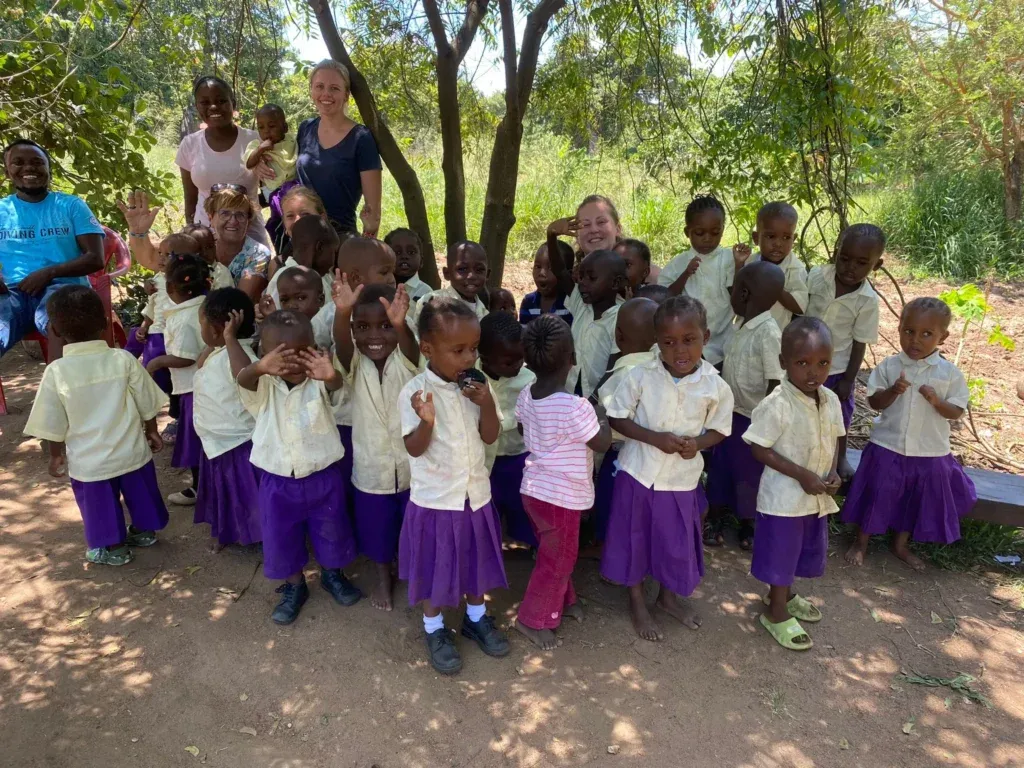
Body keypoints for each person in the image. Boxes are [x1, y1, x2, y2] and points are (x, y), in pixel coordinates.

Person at [601, 295, 733, 642]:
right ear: (656, 342)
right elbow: (617, 417)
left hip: (680, 482)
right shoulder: (641, 375)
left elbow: (720, 429)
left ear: (706, 337)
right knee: (635, 539)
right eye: (669, 342)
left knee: (674, 543)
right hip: (638, 474)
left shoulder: (716, 387)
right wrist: (653, 438)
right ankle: (636, 601)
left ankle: (667, 598)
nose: (679, 351)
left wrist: (698, 444)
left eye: (689, 340)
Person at [398, 297, 510, 675]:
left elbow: (490, 436)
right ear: (427, 349)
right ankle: (434, 627)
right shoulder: (415, 393)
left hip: (474, 496)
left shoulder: (478, 386)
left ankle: (476, 618)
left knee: (475, 563)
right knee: (434, 567)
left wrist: (487, 403)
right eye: (458, 350)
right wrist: (427, 421)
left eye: (473, 348)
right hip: (436, 501)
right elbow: (414, 448)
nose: (469, 358)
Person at [231, 310, 361, 624]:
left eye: (302, 353)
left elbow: (338, 388)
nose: (292, 364)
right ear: (265, 356)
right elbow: (242, 379)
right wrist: (259, 368)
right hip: (278, 481)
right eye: (282, 357)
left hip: (323, 476)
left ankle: (333, 575)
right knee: (281, 536)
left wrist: (330, 375)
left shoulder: (320, 381)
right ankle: (294, 585)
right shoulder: (264, 386)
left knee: (332, 529)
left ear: (314, 350)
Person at [24, 286, 168, 566]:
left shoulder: (56, 372)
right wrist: (151, 430)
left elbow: (53, 420)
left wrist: (55, 454)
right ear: (105, 323)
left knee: (99, 506)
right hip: (131, 452)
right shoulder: (123, 359)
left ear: (54, 330)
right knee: (142, 493)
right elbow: (146, 401)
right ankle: (144, 532)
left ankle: (114, 548)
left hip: (90, 463)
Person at [842, 297, 977, 570]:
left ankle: (900, 545)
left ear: (942, 337)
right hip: (888, 446)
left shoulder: (950, 374)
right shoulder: (890, 366)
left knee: (911, 501)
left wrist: (937, 401)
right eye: (909, 331)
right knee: (876, 494)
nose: (915, 340)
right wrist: (893, 391)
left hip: (929, 451)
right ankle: (861, 542)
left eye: (927, 334)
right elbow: (874, 402)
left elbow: (956, 411)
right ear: (899, 329)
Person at [743, 317, 844, 652]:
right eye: (802, 363)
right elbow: (759, 449)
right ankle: (775, 613)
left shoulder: (830, 399)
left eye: (823, 363)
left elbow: (835, 437)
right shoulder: (777, 404)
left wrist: (833, 470)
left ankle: (783, 595)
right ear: (783, 362)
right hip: (783, 500)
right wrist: (801, 474)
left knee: (798, 552)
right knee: (781, 555)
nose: (813, 372)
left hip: (813, 499)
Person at [514, 315, 612, 650]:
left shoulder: (527, 395)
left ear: (528, 362)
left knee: (556, 553)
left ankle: (563, 600)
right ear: (573, 359)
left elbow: (522, 428)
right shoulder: (577, 407)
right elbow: (601, 443)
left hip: (534, 492)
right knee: (558, 559)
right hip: (561, 499)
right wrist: (602, 417)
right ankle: (532, 619)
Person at [332, 280, 420, 611]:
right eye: (363, 327)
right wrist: (342, 313)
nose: (375, 336)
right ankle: (384, 578)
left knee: (412, 527)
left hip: (412, 469)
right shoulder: (354, 364)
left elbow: (411, 349)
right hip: (371, 470)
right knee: (377, 531)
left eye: (385, 326)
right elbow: (342, 346)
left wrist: (401, 325)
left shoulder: (406, 359)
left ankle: (411, 571)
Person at [706, 261, 786, 549]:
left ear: (743, 294)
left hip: (752, 418)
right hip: (729, 413)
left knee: (749, 473)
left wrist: (765, 424)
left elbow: (775, 381)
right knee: (720, 467)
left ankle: (748, 524)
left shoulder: (768, 333)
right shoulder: (739, 326)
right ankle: (714, 517)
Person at [1, 139, 105, 361]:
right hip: (12, 294)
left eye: (37, 162)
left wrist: (49, 272)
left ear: (49, 169)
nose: (29, 168)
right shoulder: (2, 211)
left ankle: (61, 382)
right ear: (7, 172)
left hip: (63, 289)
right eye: (18, 162)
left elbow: (95, 258)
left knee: (64, 325)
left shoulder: (71, 206)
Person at [806, 223, 885, 479]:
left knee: (839, 415)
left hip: (837, 369)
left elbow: (860, 343)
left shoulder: (867, 300)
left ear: (876, 265)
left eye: (861, 263)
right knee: (803, 410)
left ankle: (839, 458)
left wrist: (849, 380)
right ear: (836, 252)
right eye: (845, 258)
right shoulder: (817, 276)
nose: (850, 267)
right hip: (803, 362)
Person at [193, 288, 263, 552]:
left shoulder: (241, 355)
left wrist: (228, 338)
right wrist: (218, 340)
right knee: (226, 491)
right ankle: (229, 532)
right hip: (216, 440)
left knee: (244, 492)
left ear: (216, 329)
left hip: (238, 441)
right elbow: (200, 364)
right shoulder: (219, 351)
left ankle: (261, 536)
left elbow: (244, 373)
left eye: (201, 323)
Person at [590, 297, 659, 546]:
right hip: (654, 454)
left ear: (618, 336)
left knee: (611, 503)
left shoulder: (622, 374)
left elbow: (606, 415)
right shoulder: (661, 368)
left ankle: (605, 547)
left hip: (620, 454)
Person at [657, 195, 752, 365]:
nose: (707, 238)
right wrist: (686, 274)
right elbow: (664, 298)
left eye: (715, 233)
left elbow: (738, 297)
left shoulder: (729, 258)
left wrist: (739, 265)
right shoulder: (678, 263)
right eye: (700, 233)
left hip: (723, 340)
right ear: (687, 232)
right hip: (685, 341)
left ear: (722, 230)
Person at [176, 75, 269, 246]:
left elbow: (271, 191)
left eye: (221, 101)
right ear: (197, 106)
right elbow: (190, 199)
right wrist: (191, 236)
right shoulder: (190, 144)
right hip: (205, 239)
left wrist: (247, 208)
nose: (213, 107)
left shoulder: (255, 141)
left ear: (233, 103)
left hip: (250, 238)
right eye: (205, 102)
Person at [147, 255, 209, 506]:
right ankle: (207, 487)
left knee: (196, 443)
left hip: (194, 389)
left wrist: (158, 362)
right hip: (206, 386)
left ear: (171, 287)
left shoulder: (183, 318)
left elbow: (186, 357)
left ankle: (200, 488)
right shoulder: (204, 306)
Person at [295, 60, 382, 235]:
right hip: (301, 234)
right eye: (319, 86)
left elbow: (373, 211)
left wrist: (366, 244)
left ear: (346, 94)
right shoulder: (306, 128)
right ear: (312, 90)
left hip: (340, 237)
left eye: (334, 88)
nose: (326, 94)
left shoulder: (361, 138)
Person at [479, 312, 537, 548]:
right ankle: (490, 544)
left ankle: (523, 540)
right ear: (484, 358)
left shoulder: (528, 379)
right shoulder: (472, 378)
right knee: (489, 502)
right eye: (508, 362)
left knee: (520, 502)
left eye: (520, 359)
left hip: (517, 454)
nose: (517, 366)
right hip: (484, 458)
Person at [545, 239, 626, 398]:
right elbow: (560, 271)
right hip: (570, 390)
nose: (582, 283)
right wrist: (551, 234)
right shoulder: (581, 304)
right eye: (581, 277)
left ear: (615, 283)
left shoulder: (621, 317)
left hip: (599, 398)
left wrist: (594, 401)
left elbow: (613, 368)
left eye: (592, 278)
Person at [243, 104, 298, 247]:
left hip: (295, 186)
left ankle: (293, 239)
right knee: (281, 219)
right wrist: (260, 150)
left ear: (284, 128)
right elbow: (249, 163)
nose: (266, 131)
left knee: (295, 216)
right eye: (261, 127)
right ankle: (283, 243)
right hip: (274, 190)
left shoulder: (292, 140)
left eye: (272, 126)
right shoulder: (256, 145)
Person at [410, 240, 489, 335]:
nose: (471, 276)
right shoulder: (430, 302)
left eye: (479, 270)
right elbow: (417, 338)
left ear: (487, 275)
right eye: (462, 269)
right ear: (447, 273)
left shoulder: (485, 315)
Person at [750, 202, 807, 330]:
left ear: (794, 239)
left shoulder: (795, 269)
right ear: (756, 238)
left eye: (786, 237)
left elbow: (800, 307)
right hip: (747, 331)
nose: (778, 244)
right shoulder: (750, 262)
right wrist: (738, 265)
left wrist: (776, 288)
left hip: (776, 334)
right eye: (771, 236)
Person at [264, 215, 338, 308]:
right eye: (333, 252)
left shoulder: (325, 276)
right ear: (319, 247)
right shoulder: (283, 280)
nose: (334, 260)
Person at [519, 237, 574, 327]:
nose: (542, 273)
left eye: (551, 268)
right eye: (538, 266)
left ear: (568, 274)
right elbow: (525, 332)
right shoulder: (528, 302)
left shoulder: (572, 304)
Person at [385, 228, 432, 302]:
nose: (404, 256)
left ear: (421, 261)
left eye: (411, 252)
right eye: (397, 252)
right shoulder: (381, 287)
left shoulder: (425, 292)